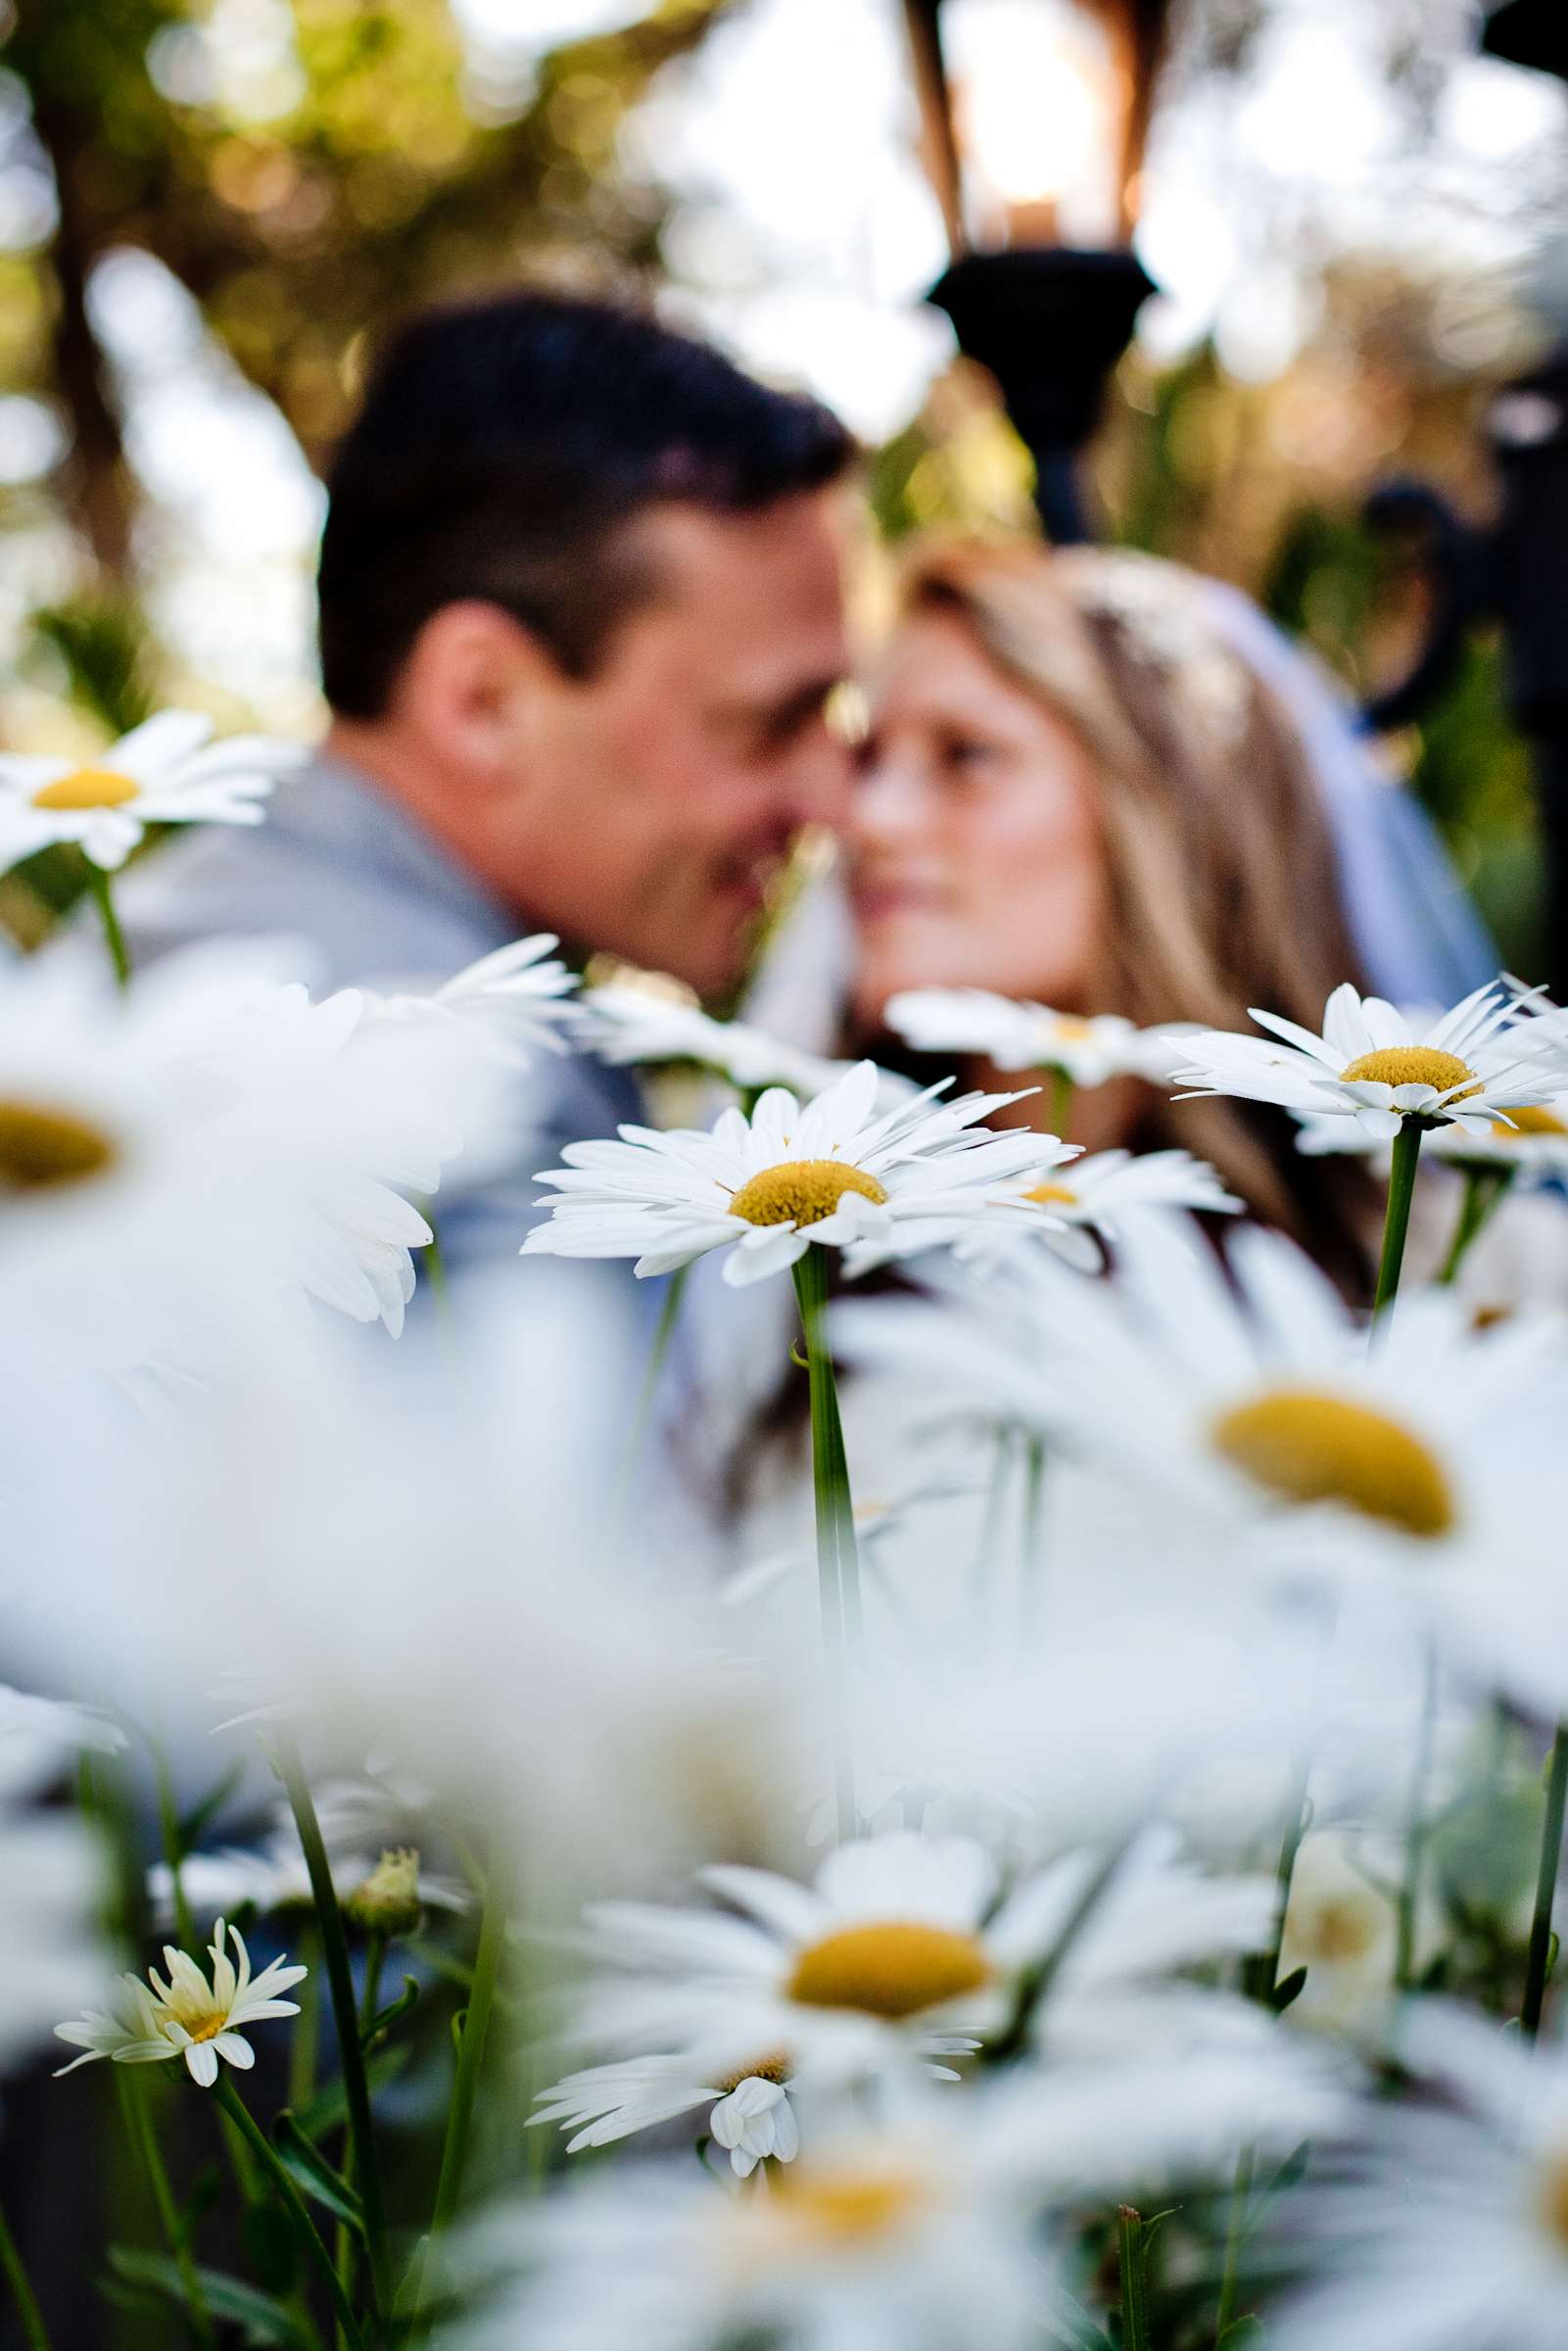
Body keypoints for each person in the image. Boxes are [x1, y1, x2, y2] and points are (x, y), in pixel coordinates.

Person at [109, 289, 857, 1263]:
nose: (836, 800)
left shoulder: (230, 929)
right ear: (481, 702)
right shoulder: (410, 1097)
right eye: (766, 724)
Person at [845, 535, 1553, 1305]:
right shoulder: (816, 1262)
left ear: (1163, 816)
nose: (867, 819)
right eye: (866, 759)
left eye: (966, 755)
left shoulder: (1477, 1277)